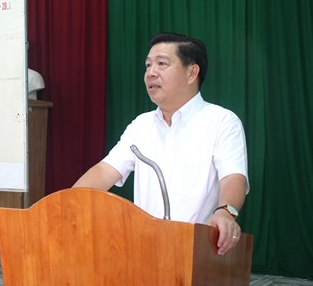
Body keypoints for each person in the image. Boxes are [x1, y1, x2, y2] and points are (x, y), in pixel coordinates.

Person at [73, 33, 248, 256]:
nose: (151, 73)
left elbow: (234, 176)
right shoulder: (141, 125)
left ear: (192, 72)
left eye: (162, 64)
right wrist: (67, 205)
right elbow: (105, 171)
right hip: (143, 249)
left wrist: (225, 212)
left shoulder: (221, 121)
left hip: (195, 252)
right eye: (148, 65)